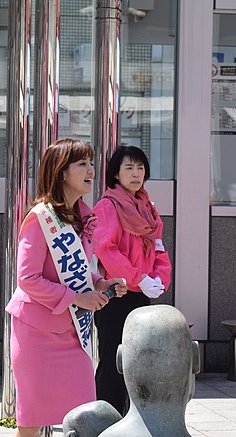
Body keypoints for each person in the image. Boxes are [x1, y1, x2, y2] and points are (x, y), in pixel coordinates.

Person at [6, 138, 127, 437]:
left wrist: (101, 283)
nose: (91, 170)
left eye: (91, 163)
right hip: (37, 332)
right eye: (82, 164)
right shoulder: (40, 218)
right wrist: (77, 298)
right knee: (31, 422)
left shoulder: (85, 218)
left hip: (74, 336)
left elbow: (82, 272)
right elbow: (28, 278)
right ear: (61, 172)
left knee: (85, 412)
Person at [91, 145, 172, 414]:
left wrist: (160, 278)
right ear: (116, 173)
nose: (136, 173)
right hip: (116, 295)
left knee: (138, 363)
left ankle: (132, 419)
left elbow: (158, 247)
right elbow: (106, 249)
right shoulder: (107, 206)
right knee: (113, 362)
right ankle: (106, 419)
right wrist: (140, 278)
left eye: (140, 168)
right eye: (129, 168)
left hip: (141, 293)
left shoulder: (148, 208)